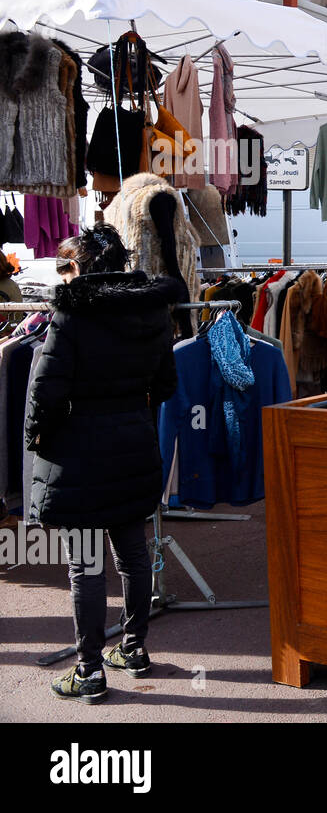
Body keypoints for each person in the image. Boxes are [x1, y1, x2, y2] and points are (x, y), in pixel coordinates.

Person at [28, 226, 182, 703]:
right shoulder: (152, 311)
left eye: (65, 265)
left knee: (86, 565)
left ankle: (90, 670)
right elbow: (167, 384)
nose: (63, 275)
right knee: (132, 553)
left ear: (82, 267)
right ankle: (133, 649)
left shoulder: (71, 315)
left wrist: (38, 438)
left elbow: (44, 393)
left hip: (80, 453)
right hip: (134, 444)